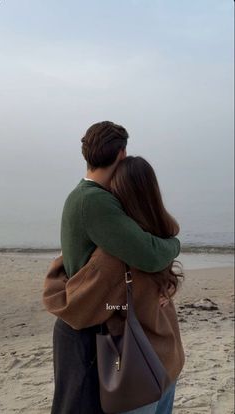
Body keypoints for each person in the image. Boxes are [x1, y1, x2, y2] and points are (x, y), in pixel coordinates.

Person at [48, 121, 181, 414]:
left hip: (97, 315)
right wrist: (174, 244)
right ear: (121, 154)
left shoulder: (83, 196)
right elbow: (148, 254)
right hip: (96, 323)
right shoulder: (95, 201)